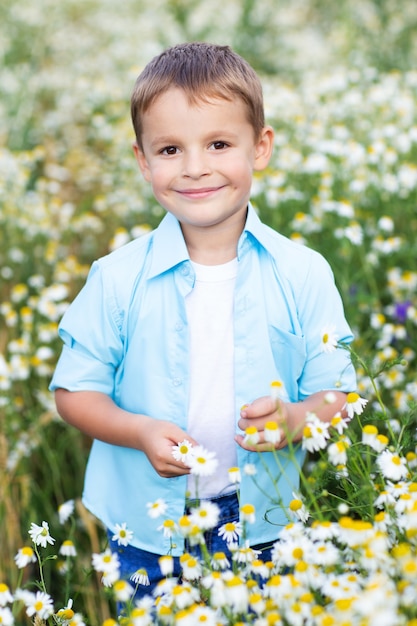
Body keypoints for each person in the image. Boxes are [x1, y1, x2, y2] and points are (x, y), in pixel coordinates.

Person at [50, 42, 356, 597]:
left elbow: (337, 394)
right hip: (145, 523)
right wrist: (138, 431)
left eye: (218, 143)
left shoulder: (303, 272)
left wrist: (294, 419)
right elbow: (75, 392)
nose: (195, 168)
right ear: (142, 160)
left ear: (260, 148)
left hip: (265, 521)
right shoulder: (117, 277)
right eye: (169, 149)